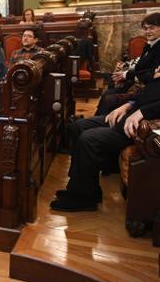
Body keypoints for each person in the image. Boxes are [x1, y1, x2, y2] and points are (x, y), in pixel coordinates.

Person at [51, 66, 160, 211]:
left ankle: (84, 199)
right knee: (80, 125)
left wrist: (142, 112)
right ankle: (80, 187)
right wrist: (128, 105)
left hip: (143, 124)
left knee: (88, 139)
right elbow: (148, 94)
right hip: (132, 113)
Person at [97, 13, 160, 115]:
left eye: (152, 28)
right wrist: (125, 70)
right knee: (110, 88)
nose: (147, 31)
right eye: (145, 28)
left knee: (108, 98)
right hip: (139, 83)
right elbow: (141, 66)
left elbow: (151, 73)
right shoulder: (150, 44)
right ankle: (98, 121)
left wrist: (126, 74)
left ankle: (102, 123)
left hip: (147, 89)